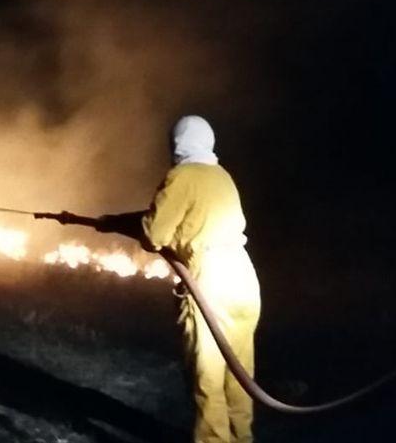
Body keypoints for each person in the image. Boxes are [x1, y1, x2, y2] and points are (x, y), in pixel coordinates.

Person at [44, 115, 261, 443]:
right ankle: (242, 438)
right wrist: (112, 222)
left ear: (177, 143)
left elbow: (153, 234)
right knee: (239, 373)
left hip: (210, 282)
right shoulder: (221, 176)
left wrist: (128, 225)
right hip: (243, 279)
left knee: (207, 377)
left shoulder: (182, 176)